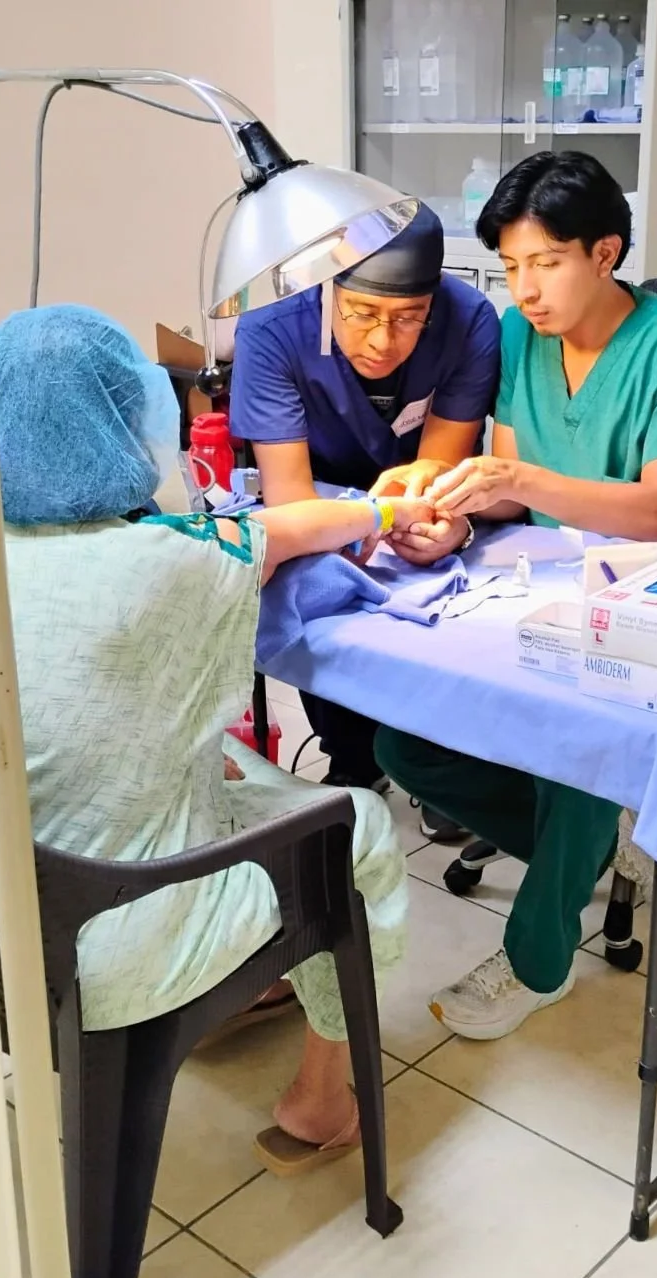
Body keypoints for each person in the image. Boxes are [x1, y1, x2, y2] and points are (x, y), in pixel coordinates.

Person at [0, 303, 429, 1174]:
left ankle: (265, 978)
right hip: (109, 942)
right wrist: (379, 510)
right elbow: (286, 530)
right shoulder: (180, 559)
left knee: (230, 761)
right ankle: (322, 1104)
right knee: (355, 820)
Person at [375, 151, 657, 1041]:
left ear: (604, 251)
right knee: (405, 739)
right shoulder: (519, 337)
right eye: (510, 269)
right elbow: (512, 492)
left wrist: (518, 476)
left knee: (580, 747)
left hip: (642, 600)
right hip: (531, 581)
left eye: (545, 264)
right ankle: (581, 856)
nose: (524, 290)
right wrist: (453, 510)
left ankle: (540, 956)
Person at [230, 203, 500, 840]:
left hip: (414, 493)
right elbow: (292, 504)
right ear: (327, 290)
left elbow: (441, 456)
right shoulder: (274, 327)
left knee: (433, 596)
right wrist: (364, 514)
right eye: (364, 315)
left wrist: (421, 503)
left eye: (410, 319)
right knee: (315, 583)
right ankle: (351, 758)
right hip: (315, 492)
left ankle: (439, 766)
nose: (384, 341)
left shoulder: (469, 320)